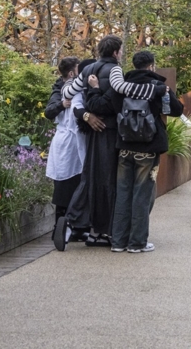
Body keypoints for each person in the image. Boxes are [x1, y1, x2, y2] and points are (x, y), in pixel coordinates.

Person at [59, 35, 166, 248]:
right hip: (110, 131)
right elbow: (123, 89)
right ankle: (107, 230)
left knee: (90, 176)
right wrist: (156, 90)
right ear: (116, 52)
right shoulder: (115, 69)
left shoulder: (88, 70)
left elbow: (68, 92)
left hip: (92, 134)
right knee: (112, 180)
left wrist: (85, 111)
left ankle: (74, 221)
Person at [110, 50, 184, 254]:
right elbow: (177, 110)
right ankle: (137, 243)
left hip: (125, 147)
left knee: (123, 194)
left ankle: (118, 242)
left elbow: (114, 107)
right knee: (142, 195)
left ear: (134, 65)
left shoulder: (122, 87)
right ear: (152, 65)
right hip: (148, 149)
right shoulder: (158, 87)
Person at [44, 56, 82, 240]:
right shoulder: (59, 90)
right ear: (71, 73)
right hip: (66, 144)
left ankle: (76, 227)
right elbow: (49, 111)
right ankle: (60, 226)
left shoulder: (80, 87)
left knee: (76, 183)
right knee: (63, 185)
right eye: (78, 69)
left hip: (76, 144)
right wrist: (61, 104)